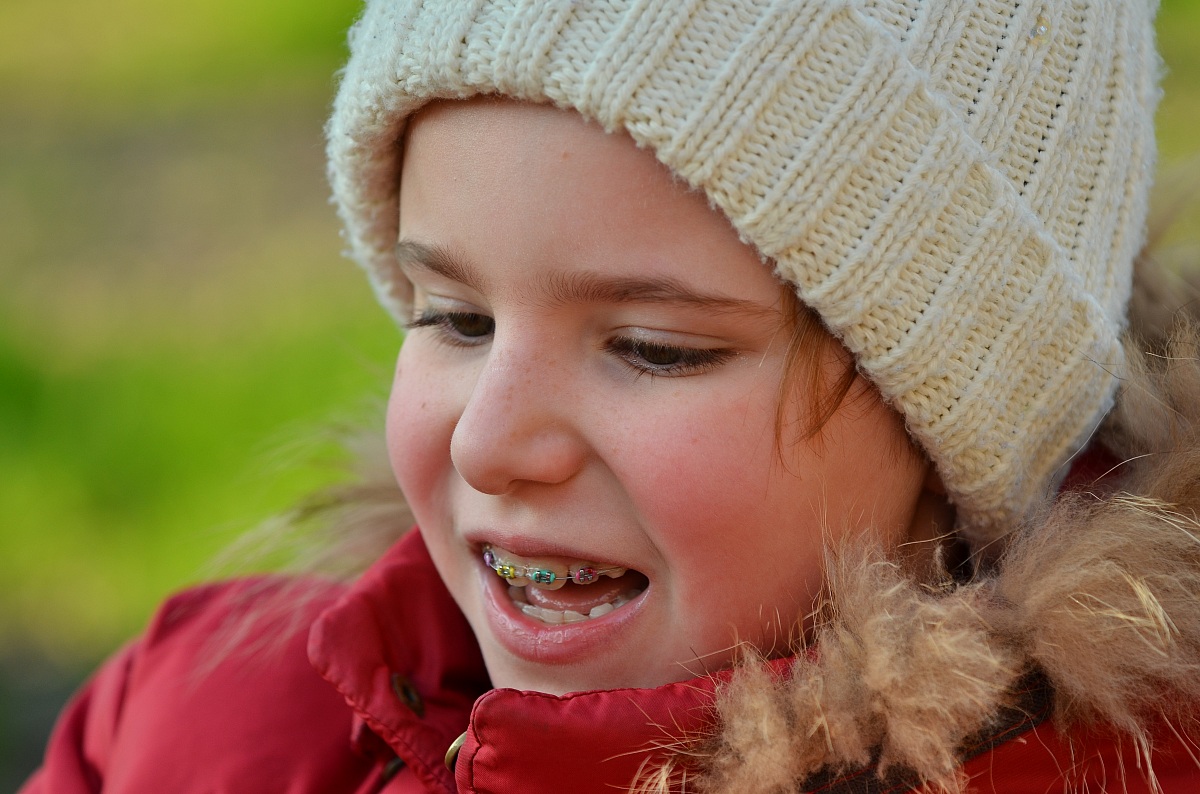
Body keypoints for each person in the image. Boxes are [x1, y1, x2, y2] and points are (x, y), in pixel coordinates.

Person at [23, 0, 1200, 791]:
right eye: (456, 319)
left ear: (961, 420)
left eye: (651, 347)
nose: (492, 440)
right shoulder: (195, 723)